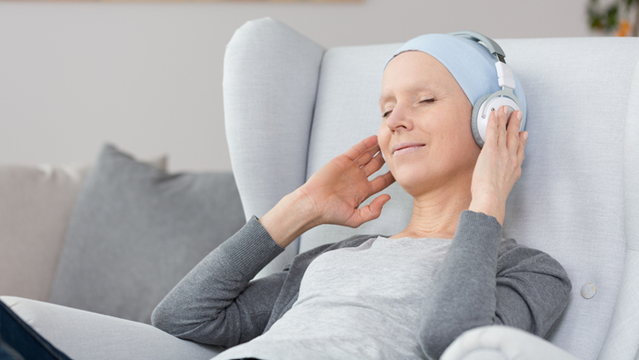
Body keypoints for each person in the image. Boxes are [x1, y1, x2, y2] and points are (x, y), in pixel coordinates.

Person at [151, 32, 572, 360]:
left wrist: (486, 202)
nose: (396, 122)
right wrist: (301, 208)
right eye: (386, 110)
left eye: (424, 100)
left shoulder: (530, 271)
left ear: (491, 120)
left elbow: (453, 339)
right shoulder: (337, 257)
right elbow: (183, 316)